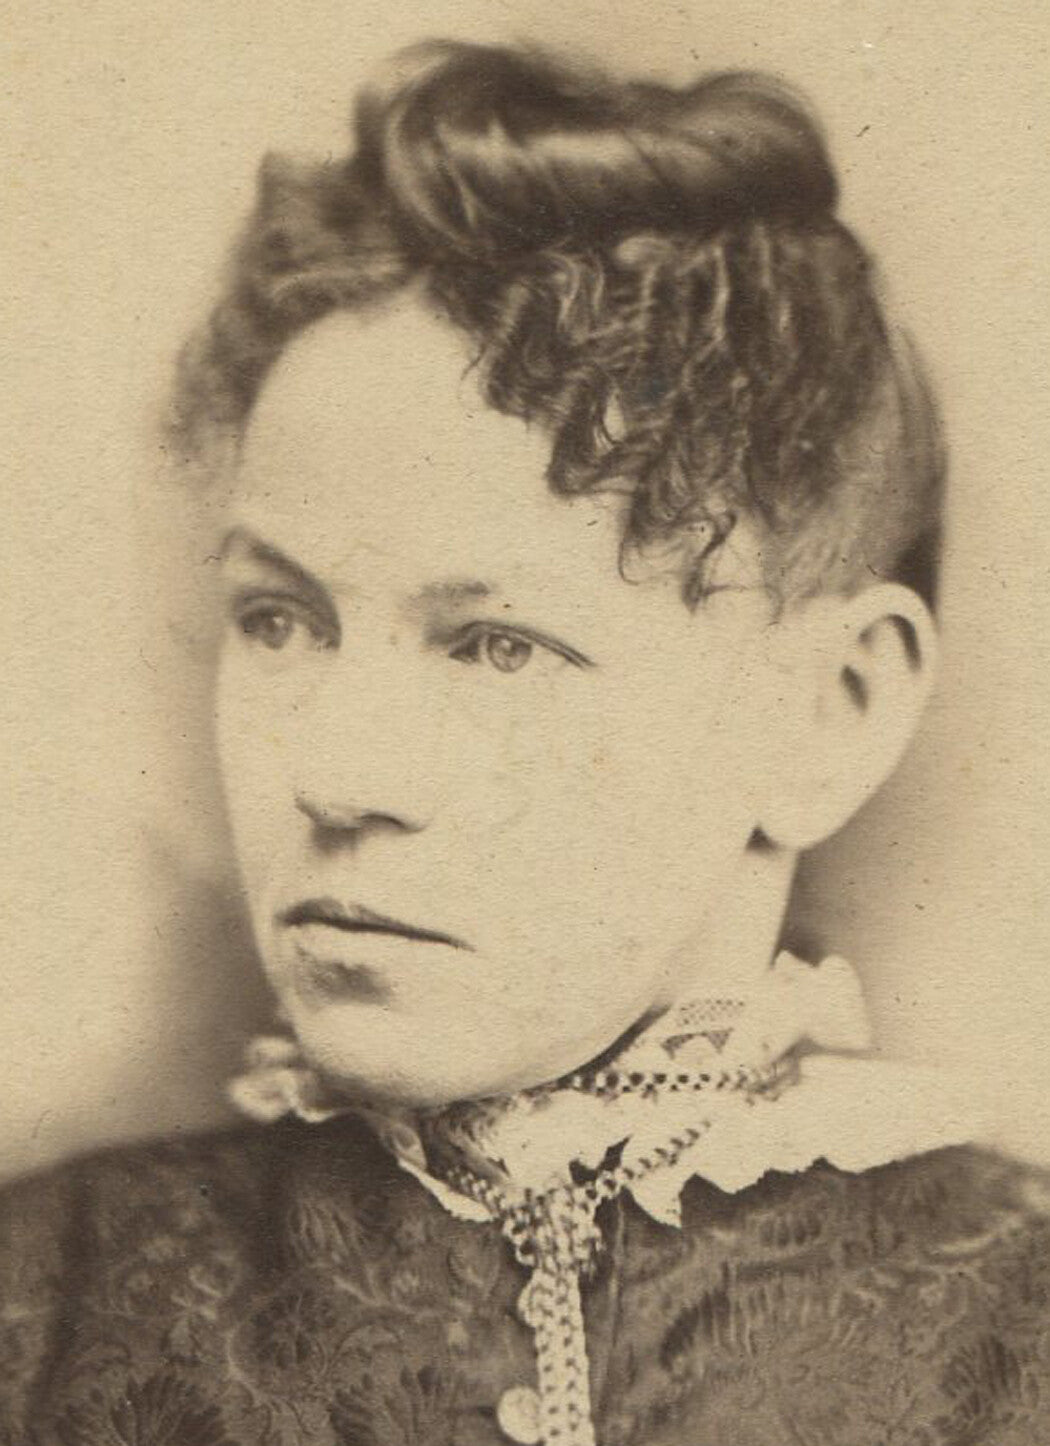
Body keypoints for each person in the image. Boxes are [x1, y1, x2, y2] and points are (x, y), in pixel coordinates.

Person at [2, 38, 1047, 1446]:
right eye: (279, 618)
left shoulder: (1010, 1338)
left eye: (497, 645)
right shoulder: (46, 1305)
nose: (336, 772)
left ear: (830, 708)